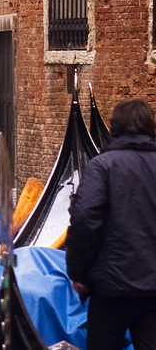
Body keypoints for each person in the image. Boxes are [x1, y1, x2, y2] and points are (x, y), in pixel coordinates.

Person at [66, 97, 156, 350]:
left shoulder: (101, 166)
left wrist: (78, 273)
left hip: (110, 287)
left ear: (115, 128)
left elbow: (85, 218)